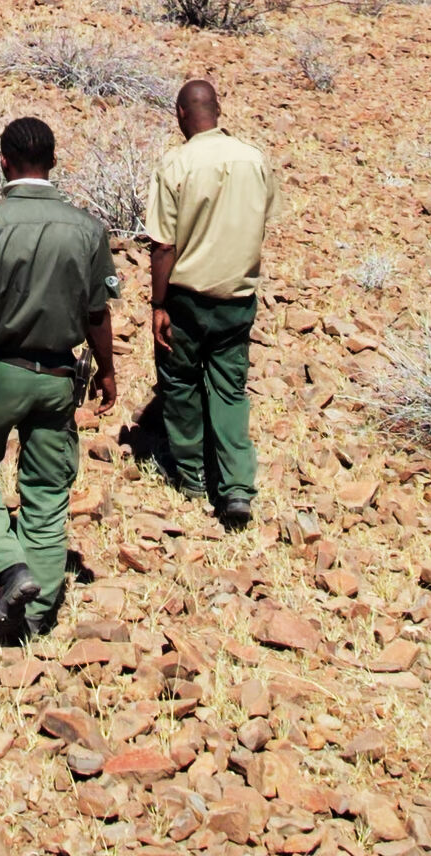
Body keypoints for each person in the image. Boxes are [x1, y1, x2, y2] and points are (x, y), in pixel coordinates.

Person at [0, 115, 119, 646]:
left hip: (0, 373)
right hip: (59, 375)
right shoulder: (87, 228)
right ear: (54, 162)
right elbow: (97, 314)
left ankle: (6, 568)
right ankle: (34, 617)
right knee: (45, 491)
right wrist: (107, 371)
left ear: (6, 163)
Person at [143, 77, 277, 529]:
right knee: (230, 389)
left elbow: (162, 245)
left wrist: (158, 305)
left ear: (181, 114)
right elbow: (262, 218)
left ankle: (192, 475)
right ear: (218, 110)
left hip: (186, 297)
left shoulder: (176, 164)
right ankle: (237, 486)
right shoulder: (254, 158)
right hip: (238, 296)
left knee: (179, 384)